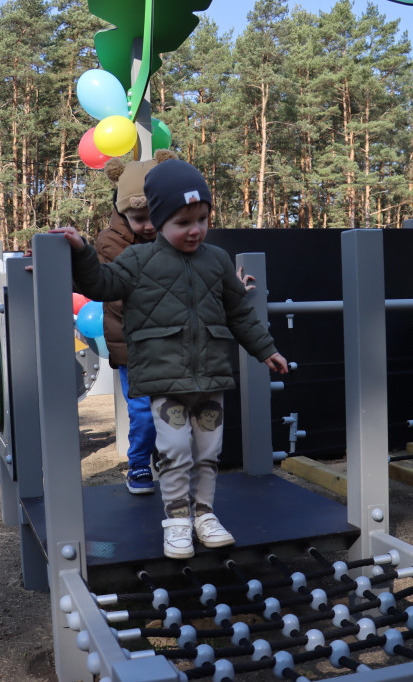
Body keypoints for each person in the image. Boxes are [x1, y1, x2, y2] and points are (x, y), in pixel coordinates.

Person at [52, 159, 289, 560]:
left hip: (210, 378)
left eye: (202, 219)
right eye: (183, 222)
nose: (195, 229)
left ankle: (205, 515)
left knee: (209, 452)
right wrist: (81, 251)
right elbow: (101, 284)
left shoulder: (215, 260)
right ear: (160, 221)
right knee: (176, 451)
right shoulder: (138, 261)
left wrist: (266, 349)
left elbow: (239, 312)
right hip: (166, 382)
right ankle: (177, 521)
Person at [95, 150, 177, 494]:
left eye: (153, 216)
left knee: (174, 410)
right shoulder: (111, 242)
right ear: (122, 211)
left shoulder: (174, 234)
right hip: (132, 344)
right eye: (137, 218)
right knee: (143, 412)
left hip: (171, 341)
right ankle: (139, 465)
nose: (147, 226)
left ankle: (169, 459)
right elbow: (101, 280)